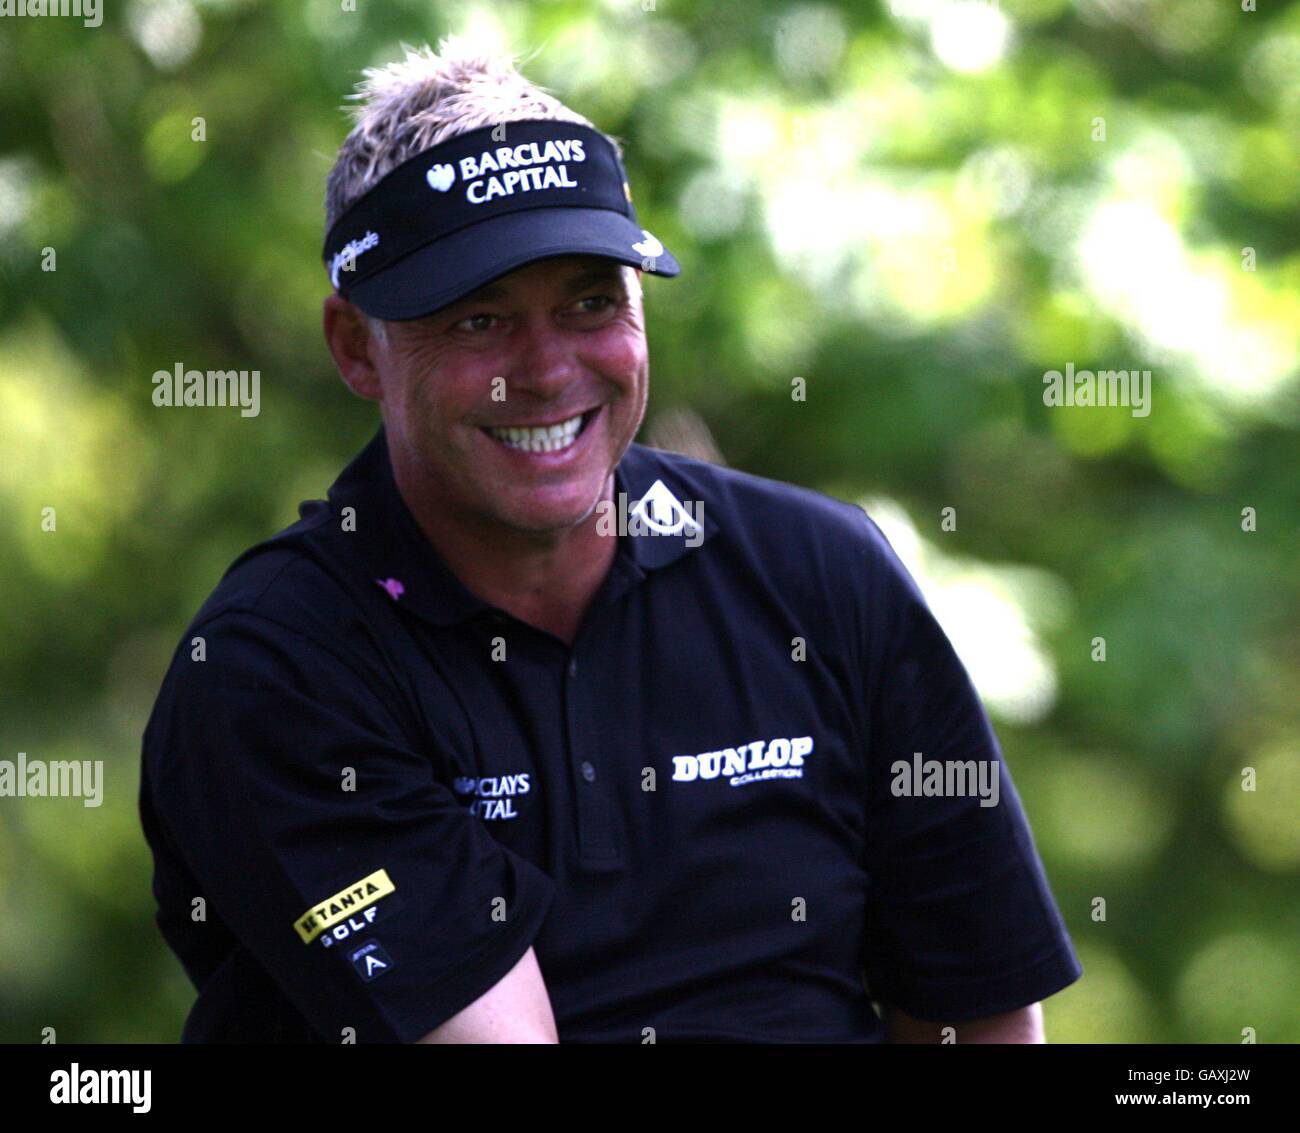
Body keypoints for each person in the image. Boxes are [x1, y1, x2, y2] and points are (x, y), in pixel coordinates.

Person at [139, 37, 1082, 1044]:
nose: (546, 371)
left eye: (591, 302)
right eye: (477, 321)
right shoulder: (275, 666)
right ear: (353, 346)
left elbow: (975, 1020)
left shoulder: (822, 576)